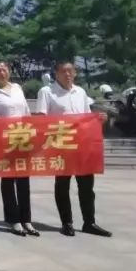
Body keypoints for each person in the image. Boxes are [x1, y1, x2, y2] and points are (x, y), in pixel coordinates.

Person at [36, 61, 112, 238]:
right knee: (62, 185)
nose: (67, 74)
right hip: (60, 145)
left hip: (82, 145)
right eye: (63, 71)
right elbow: (41, 119)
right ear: (56, 73)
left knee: (86, 186)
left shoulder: (81, 92)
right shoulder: (47, 92)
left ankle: (89, 222)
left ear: (75, 73)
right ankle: (67, 222)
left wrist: (98, 119)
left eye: (71, 71)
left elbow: (86, 117)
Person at [0, 60, 37, 236]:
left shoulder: (17, 88)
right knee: (8, 180)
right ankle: (13, 219)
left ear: (9, 72)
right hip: (3, 142)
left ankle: (26, 219)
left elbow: (26, 113)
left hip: (21, 139)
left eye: (4, 70)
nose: (1, 73)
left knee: (24, 180)